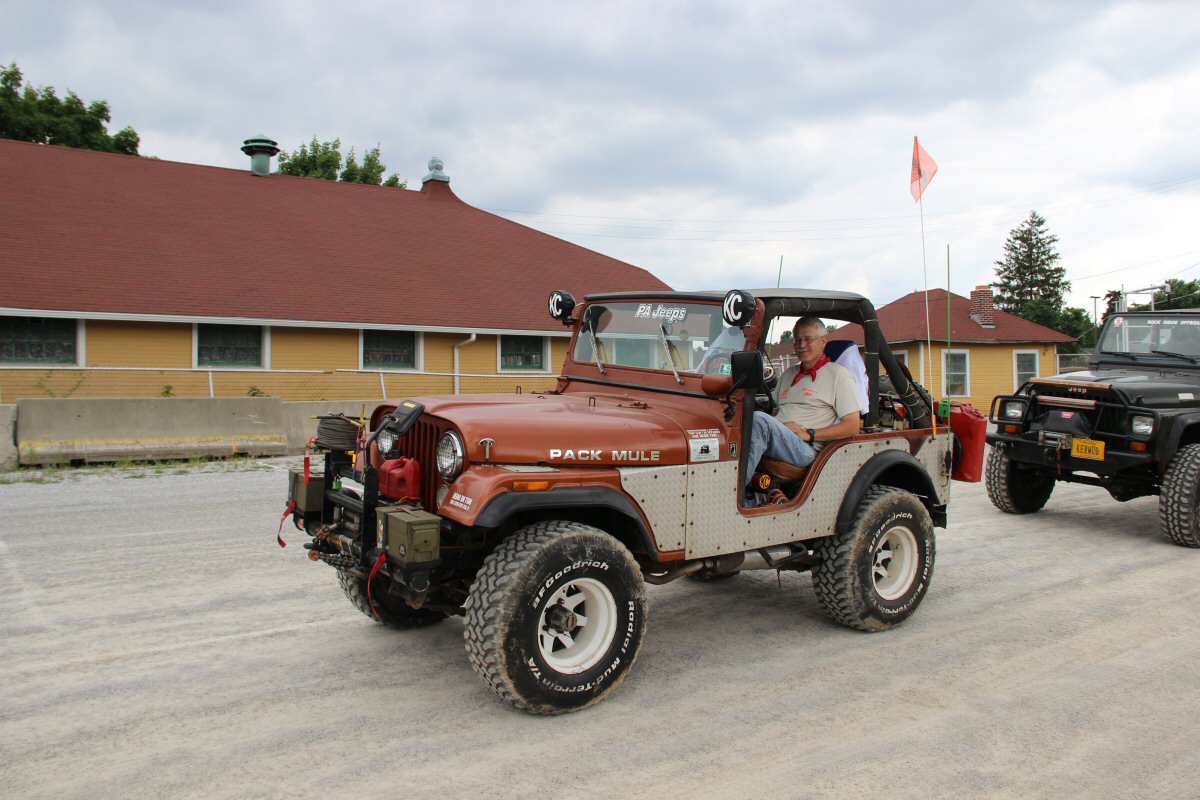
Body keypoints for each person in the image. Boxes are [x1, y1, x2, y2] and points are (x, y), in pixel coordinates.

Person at [745, 317, 862, 501]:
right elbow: (771, 406)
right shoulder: (789, 374)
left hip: (804, 448)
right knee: (739, 420)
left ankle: (731, 493)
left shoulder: (839, 376)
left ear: (823, 341)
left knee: (759, 420)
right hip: (777, 439)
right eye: (797, 340)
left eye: (808, 339)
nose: (801, 345)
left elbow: (852, 426)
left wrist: (810, 434)